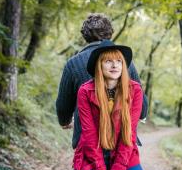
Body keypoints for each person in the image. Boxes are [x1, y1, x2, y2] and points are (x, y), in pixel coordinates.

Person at [58, 40, 162, 170]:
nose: (115, 65)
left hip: (124, 154)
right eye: (108, 61)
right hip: (91, 155)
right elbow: (89, 134)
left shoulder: (134, 90)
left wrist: (118, 169)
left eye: (119, 61)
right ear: (99, 65)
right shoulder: (85, 91)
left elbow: (129, 134)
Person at [55, 13, 147, 149]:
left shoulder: (73, 63)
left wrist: (65, 121)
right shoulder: (124, 62)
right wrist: (141, 114)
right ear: (110, 33)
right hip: (121, 140)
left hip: (88, 142)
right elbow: (142, 106)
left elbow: (63, 105)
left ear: (85, 36)